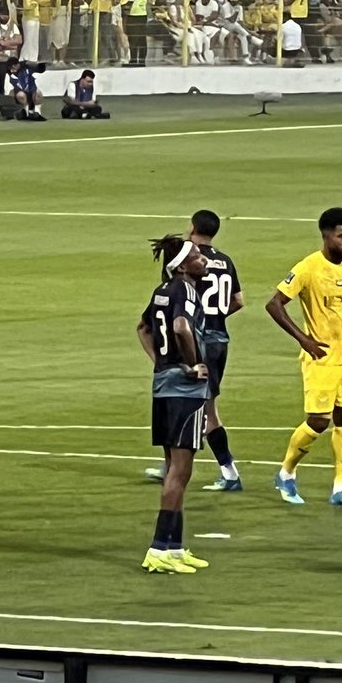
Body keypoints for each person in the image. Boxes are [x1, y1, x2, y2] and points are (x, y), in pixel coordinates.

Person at [266, 208, 342, 508]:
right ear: (326, 236)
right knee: (318, 421)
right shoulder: (308, 268)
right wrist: (304, 340)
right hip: (322, 359)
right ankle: (286, 473)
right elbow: (274, 305)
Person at [145, 210, 245, 491]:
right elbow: (238, 300)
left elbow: (178, 316)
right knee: (201, 405)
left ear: (192, 227)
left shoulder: (188, 261)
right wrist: (217, 316)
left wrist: (201, 322)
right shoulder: (224, 260)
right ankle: (170, 465)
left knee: (206, 410)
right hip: (220, 339)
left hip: (199, 339)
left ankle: (229, 472)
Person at [136, 235, 211, 575]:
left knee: (174, 469)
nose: (204, 259)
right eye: (197, 256)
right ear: (182, 266)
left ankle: (175, 547)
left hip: (164, 384)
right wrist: (194, 364)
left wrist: (161, 362)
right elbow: (181, 327)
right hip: (185, 390)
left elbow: (143, 328)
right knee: (180, 472)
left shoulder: (160, 291)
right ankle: (158, 548)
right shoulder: (186, 290)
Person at [6, 57, 46, 121]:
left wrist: (42, 64)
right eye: (17, 64)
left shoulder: (26, 68)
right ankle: (26, 112)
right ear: (13, 66)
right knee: (21, 95)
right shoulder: (11, 75)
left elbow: (40, 69)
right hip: (21, 94)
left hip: (31, 91)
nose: (19, 65)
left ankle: (37, 112)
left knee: (38, 93)